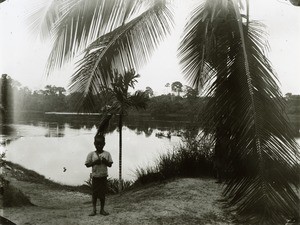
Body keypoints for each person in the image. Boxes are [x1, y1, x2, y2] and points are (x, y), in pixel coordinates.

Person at [85, 135, 113, 216]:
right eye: (97, 144)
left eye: (101, 144)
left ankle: (102, 209)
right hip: (95, 177)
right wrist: (94, 162)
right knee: (94, 194)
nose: (99, 146)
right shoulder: (91, 154)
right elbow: (87, 164)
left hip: (103, 177)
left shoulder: (107, 154)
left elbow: (110, 164)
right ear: (94, 144)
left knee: (102, 194)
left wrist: (105, 162)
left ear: (104, 144)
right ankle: (94, 210)